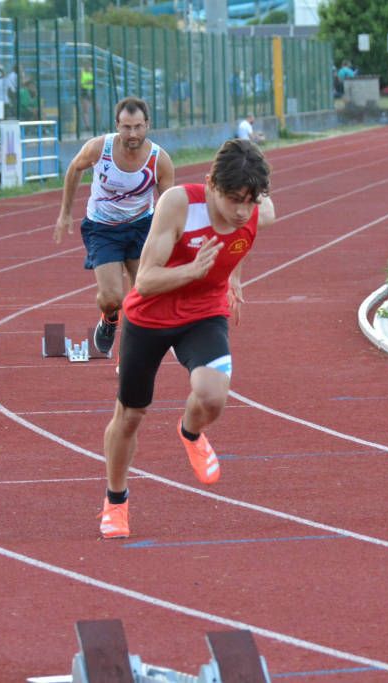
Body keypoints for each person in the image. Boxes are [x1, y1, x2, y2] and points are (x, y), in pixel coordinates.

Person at [97, 138, 275, 539]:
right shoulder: (179, 204)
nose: (242, 211)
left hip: (204, 313)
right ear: (211, 184)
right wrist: (192, 272)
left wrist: (234, 276)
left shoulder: (258, 209)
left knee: (212, 397)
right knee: (130, 415)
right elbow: (145, 280)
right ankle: (116, 501)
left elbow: (244, 237)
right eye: (234, 200)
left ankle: (190, 431)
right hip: (150, 315)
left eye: (250, 201)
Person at [53, 96, 175, 358]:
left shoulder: (159, 160)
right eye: (127, 127)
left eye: (138, 127)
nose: (133, 134)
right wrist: (65, 212)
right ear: (117, 125)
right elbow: (75, 168)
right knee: (112, 299)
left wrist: (172, 238)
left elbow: (169, 203)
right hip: (102, 228)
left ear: (148, 124)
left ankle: (128, 357)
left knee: (142, 295)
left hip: (141, 227)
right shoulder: (100, 148)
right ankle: (109, 319)